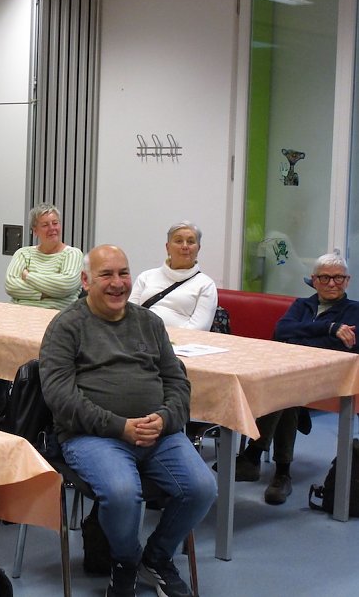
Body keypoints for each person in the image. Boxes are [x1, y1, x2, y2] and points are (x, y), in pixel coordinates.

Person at [40, 245, 216, 597]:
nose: (117, 283)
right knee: (122, 495)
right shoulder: (66, 327)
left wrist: (165, 419)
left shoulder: (149, 323)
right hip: (92, 436)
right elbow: (60, 397)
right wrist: (120, 426)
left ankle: (157, 557)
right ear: (86, 280)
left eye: (123, 273)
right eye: (107, 275)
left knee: (202, 488)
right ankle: (124, 561)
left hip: (158, 434)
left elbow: (178, 382)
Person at [233, 252, 359, 505]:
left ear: (347, 280)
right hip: (292, 376)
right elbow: (281, 330)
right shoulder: (302, 305)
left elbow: (343, 348)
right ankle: (281, 474)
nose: (331, 283)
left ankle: (255, 453)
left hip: (334, 379)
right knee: (287, 391)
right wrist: (329, 328)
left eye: (338, 278)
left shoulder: (355, 310)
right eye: (324, 277)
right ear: (314, 280)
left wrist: (302, 338)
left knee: (285, 388)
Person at [129, 221, 218, 331]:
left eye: (190, 242)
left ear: (198, 248)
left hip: (179, 344)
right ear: (168, 247)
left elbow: (199, 329)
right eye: (179, 241)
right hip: (140, 339)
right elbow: (129, 314)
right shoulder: (146, 277)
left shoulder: (206, 285)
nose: (185, 246)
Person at [4, 203, 84, 310]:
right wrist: (45, 293)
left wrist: (28, 276)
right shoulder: (23, 254)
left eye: (55, 223)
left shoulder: (73, 254)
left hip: (56, 319)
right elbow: (11, 285)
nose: (52, 228)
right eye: (45, 225)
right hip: (19, 314)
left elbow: (65, 285)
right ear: (35, 230)